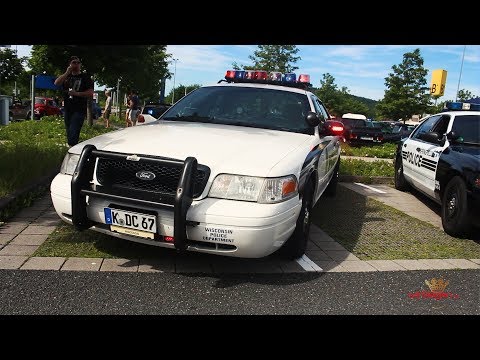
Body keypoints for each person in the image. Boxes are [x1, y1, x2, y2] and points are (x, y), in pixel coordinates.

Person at [54, 56, 94, 147]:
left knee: (74, 129)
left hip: (79, 108)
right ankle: (72, 147)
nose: (76, 65)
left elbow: (90, 93)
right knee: (69, 130)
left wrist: (77, 94)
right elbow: (56, 83)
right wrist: (67, 72)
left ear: (80, 65)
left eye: (78, 63)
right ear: (70, 64)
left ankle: (72, 147)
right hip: (68, 108)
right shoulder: (66, 76)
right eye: (74, 63)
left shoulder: (85, 77)